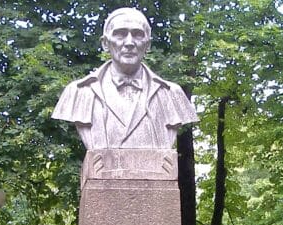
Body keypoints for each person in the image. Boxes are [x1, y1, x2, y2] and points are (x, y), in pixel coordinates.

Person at [52, 8, 197, 150]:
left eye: (137, 35)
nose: (129, 42)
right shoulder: (79, 93)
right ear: (105, 43)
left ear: (148, 45)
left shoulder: (171, 94)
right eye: (120, 34)